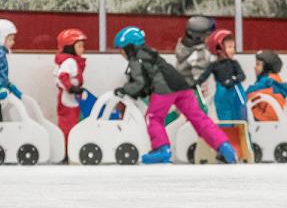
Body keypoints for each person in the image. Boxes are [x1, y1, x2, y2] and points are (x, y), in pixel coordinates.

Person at [114, 25, 237, 165]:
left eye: (121, 50)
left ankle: (162, 150)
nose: (121, 54)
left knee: (153, 118)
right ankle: (225, 147)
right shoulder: (151, 54)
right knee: (199, 118)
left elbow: (139, 82)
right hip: (182, 86)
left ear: (129, 47)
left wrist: (124, 90)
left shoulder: (136, 58)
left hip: (164, 89)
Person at [53, 29, 89, 156]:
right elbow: (62, 76)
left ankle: (69, 148)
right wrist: (71, 88)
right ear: (70, 47)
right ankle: (67, 149)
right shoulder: (70, 62)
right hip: (68, 98)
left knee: (71, 121)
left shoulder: (70, 60)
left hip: (70, 97)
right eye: (79, 46)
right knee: (69, 123)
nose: (82, 49)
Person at [205, 28, 247, 123]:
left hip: (237, 92)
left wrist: (234, 79)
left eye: (233, 47)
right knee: (225, 120)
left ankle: (243, 136)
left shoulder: (234, 63)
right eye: (230, 47)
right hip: (222, 94)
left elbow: (242, 76)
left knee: (241, 120)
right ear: (219, 49)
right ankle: (227, 136)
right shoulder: (214, 65)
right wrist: (194, 83)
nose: (233, 50)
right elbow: (203, 77)